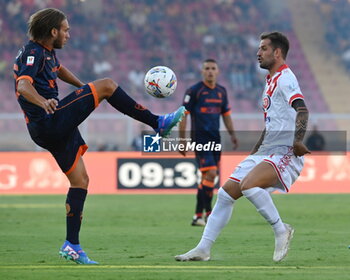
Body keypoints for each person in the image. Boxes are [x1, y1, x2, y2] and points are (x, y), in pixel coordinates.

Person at [14, 8, 185, 265]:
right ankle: (157, 123)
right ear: (53, 31)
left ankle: (72, 245)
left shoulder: (47, 53)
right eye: (66, 29)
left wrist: (82, 88)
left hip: (50, 130)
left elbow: (59, 70)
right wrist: (42, 102)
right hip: (50, 120)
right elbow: (22, 84)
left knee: (80, 181)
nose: (69, 34)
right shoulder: (33, 52)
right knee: (106, 85)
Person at [175, 31, 310, 262]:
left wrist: (297, 141)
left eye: (264, 48)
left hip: (285, 151)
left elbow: (302, 109)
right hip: (267, 149)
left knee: (249, 186)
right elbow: (271, 124)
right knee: (226, 193)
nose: (258, 53)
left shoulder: (286, 78)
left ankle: (281, 229)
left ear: (277, 52)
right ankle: (203, 248)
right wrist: (255, 152)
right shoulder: (270, 80)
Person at [178, 59, 238, 226]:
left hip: (215, 139)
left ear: (217, 72)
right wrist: (182, 140)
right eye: (207, 68)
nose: (210, 71)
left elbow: (226, 115)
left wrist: (232, 134)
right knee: (211, 174)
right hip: (200, 139)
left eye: (213, 68)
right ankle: (210, 214)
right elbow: (183, 115)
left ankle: (198, 216)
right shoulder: (194, 91)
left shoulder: (221, 91)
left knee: (207, 178)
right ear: (202, 72)